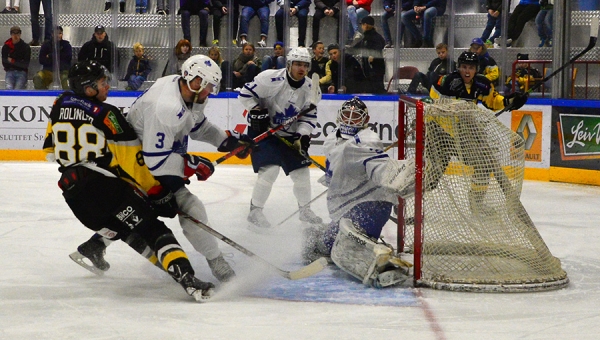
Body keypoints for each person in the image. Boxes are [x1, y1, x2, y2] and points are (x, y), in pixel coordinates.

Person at [44, 60, 215, 301]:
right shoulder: (108, 114)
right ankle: (188, 279)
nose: (108, 87)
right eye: (102, 84)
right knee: (153, 229)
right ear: (88, 88)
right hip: (105, 189)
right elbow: (132, 162)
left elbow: (50, 151)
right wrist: (157, 192)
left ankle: (93, 248)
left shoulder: (59, 103)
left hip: (74, 197)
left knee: (130, 231)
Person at [125, 54, 255, 283]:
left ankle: (95, 245)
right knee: (189, 208)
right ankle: (218, 263)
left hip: (145, 164)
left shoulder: (185, 91)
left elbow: (196, 125)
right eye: (204, 85)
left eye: (211, 86)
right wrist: (190, 163)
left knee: (141, 211)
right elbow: (155, 161)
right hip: (135, 169)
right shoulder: (165, 107)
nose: (208, 91)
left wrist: (226, 142)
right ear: (192, 79)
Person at [302, 97, 414, 288]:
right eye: (347, 115)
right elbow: (336, 170)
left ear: (366, 119)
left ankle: (384, 264)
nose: (350, 120)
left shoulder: (367, 140)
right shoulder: (332, 138)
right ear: (339, 116)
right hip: (349, 207)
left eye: (356, 117)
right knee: (323, 243)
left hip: (371, 207)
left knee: (342, 247)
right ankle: (369, 247)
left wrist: (392, 179)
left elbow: (378, 169)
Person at [429, 51, 528, 211]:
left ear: (477, 69)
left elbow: (494, 101)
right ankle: (402, 200)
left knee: (483, 164)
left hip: (463, 133)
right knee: (431, 178)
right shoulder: (448, 80)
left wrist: (510, 100)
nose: (467, 71)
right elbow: (432, 100)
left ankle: (476, 204)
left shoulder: (482, 84)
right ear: (458, 67)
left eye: (471, 68)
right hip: (440, 133)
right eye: (464, 67)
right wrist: (449, 97)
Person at [238, 47, 323, 229]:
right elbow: (244, 95)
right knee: (270, 170)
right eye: (298, 64)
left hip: (290, 134)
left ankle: (305, 210)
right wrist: (256, 111)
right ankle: (255, 211)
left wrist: (303, 135)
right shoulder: (269, 78)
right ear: (289, 64)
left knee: (302, 173)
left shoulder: (311, 89)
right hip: (264, 131)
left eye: (305, 65)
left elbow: (308, 118)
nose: (301, 69)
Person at [352, 15, 385, 93]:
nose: (362, 26)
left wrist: (372, 55)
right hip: (369, 70)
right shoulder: (366, 37)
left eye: (362, 24)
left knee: (377, 89)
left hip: (375, 69)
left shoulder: (375, 37)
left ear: (365, 25)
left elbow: (380, 45)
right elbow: (356, 48)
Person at [33, 26, 72, 90]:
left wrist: (50, 56)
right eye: (56, 33)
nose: (58, 35)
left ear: (62, 34)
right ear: (52, 34)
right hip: (48, 71)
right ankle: (42, 96)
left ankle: (67, 97)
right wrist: (58, 58)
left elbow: (68, 58)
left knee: (66, 81)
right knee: (38, 77)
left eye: (60, 33)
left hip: (63, 71)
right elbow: (41, 60)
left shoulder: (66, 45)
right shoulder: (46, 45)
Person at [2, 25, 30, 90]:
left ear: (20, 34)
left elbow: (25, 65)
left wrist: (12, 61)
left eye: (17, 33)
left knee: (18, 89)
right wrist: (18, 62)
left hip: (22, 72)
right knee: (8, 89)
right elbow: (5, 63)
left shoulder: (25, 47)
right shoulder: (6, 47)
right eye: (13, 33)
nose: (15, 35)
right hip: (10, 71)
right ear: (11, 34)